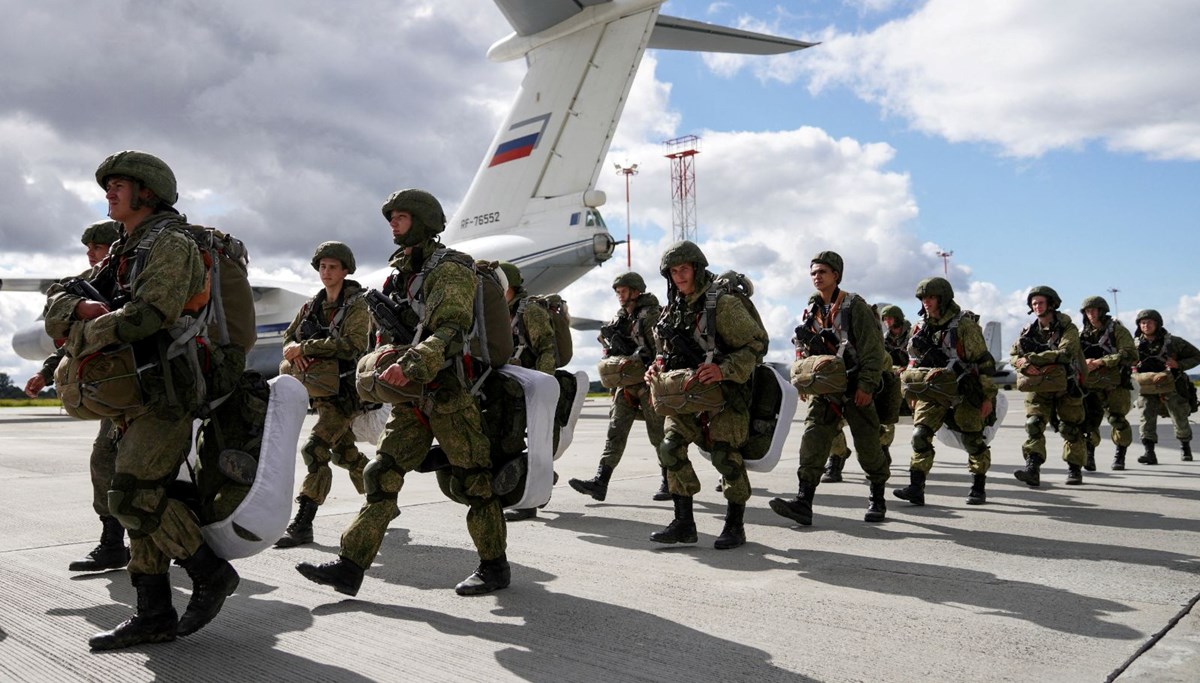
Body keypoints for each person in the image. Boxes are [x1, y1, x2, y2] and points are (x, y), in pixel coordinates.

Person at [44, 151, 239, 649]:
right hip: (133, 393)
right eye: (108, 185)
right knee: (136, 498)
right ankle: (153, 613)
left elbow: (147, 315)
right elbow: (59, 298)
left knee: (132, 497)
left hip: (166, 392)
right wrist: (79, 306)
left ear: (146, 193)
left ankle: (210, 572)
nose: (109, 192)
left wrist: (83, 331)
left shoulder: (169, 244)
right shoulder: (124, 250)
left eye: (119, 185)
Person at [297, 188, 510, 597]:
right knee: (381, 473)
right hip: (411, 397)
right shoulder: (399, 275)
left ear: (423, 221)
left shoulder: (448, 268)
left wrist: (409, 364)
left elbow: (451, 329)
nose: (393, 222)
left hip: (449, 394)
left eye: (401, 216)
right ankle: (350, 566)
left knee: (475, 483)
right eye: (391, 216)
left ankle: (494, 566)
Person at [644, 241, 767, 550]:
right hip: (684, 395)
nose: (679, 277)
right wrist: (655, 368)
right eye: (673, 271)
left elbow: (755, 345)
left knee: (726, 458)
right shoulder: (673, 308)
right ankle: (684, 523)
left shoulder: (722, 304)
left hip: (725, 394)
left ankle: (734, 525)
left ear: (697, 269)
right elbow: (663, 352)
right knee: (669, 448)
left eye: (684, 269)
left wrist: (723, 370)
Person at [25, 220, 128, 572]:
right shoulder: (92, 284)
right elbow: (77, 341)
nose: (90, 255)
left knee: (124, 462)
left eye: (96, 248)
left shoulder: (133, 274)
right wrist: (44, 373)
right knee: (105, 458)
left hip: (144, 381)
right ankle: (114, 541)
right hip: (117, 385)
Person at [770, 252, 890, 526]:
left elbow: (873, 350)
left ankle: (877, 498)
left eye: (823, 271)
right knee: (812, 441)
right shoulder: (811, 310)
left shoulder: (854, 307)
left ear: (836, 275)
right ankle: (803, 502)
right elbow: (802, 349)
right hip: (824, 390)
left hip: (854, 387)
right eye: (813, 272)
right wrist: (802, 380)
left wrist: (866, 385)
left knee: (868, 444)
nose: (817, 276)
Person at [275, 241, 371, 547]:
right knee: (345, 455)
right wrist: (293, 353)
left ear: (345, 270)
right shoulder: (310, 306)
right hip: (317, 392)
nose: (326, 272)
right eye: (322, 267)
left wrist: (306, 348)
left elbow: (353, 344)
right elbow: (289, 336)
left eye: (332, 267)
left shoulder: (358, 305)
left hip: (344, 394)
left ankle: (303, 524)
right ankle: (381, 495)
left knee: (314, 450)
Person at [892, 278, 996, 506]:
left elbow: (984, 361)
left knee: (973, 441)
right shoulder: (919, 327)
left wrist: (987, 396)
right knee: (920, 436)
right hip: (932, 390)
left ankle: (978, 486)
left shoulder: (964, 325)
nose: (926, 302)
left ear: (943, 298)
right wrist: (909, 392)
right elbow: (912, 362)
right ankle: (916, 487)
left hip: (964, 390)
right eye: (922, 298)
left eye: (930, 298)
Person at [570, 272, 667, 501]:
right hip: (626, 385)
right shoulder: (621, 317)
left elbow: (661, 351)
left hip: (647, 383)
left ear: (635, 291)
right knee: (615, 432)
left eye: (623, 291)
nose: (619, 296)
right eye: (617, 292)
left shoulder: (652, 315)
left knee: (659, 435)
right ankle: (600, 482)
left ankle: (670, 481)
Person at [498, 261, 558, 521]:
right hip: (512, 387)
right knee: (509, 441)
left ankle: (529, 500)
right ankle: (525, 491)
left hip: (531, 388)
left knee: (534, 446)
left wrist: (541, 385)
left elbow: (547, 349)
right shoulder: (502, 311)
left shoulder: (529, 310)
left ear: (511, 286)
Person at [1011, 286, 1087, 486]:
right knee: (1034, 425)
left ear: (1052, 304)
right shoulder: (1028, 331)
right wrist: (1024, 364)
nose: (1037, 306)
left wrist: (1033, 358)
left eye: (1040, 302)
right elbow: (1014, 356)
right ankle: (1032, 468)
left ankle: (1074, 468)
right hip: (1038, 387)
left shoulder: (1067, 328)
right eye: (1034, 303)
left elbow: (1066, 352)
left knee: (1069, 428)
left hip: (1065, 385)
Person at [1132, 309, 1199, 464]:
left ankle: (1185, 448)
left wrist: (1179, 364)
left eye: (1149, 322)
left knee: (1179, 416)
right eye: (1142, 322)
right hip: (1146, 386)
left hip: (1172, 385)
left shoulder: (1173, 342)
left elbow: (1197, 356)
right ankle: (1149, 453)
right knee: (1146, 417)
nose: (1146, 325)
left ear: (1157, 324)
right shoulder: (1133, 345)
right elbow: (1123, 360)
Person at [1078, 296, 1137, 470]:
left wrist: (1102, 362)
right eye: (1088, 311)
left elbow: (1130, 354)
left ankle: (1120, 454)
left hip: (1115, 385)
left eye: (1094, 310)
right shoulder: (1083, 334)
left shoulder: (1117, 331)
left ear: (1103, 311)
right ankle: (1089, 455)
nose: (1091, 314)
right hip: (1091, 385)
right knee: (1089, 420)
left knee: (1117, 419)